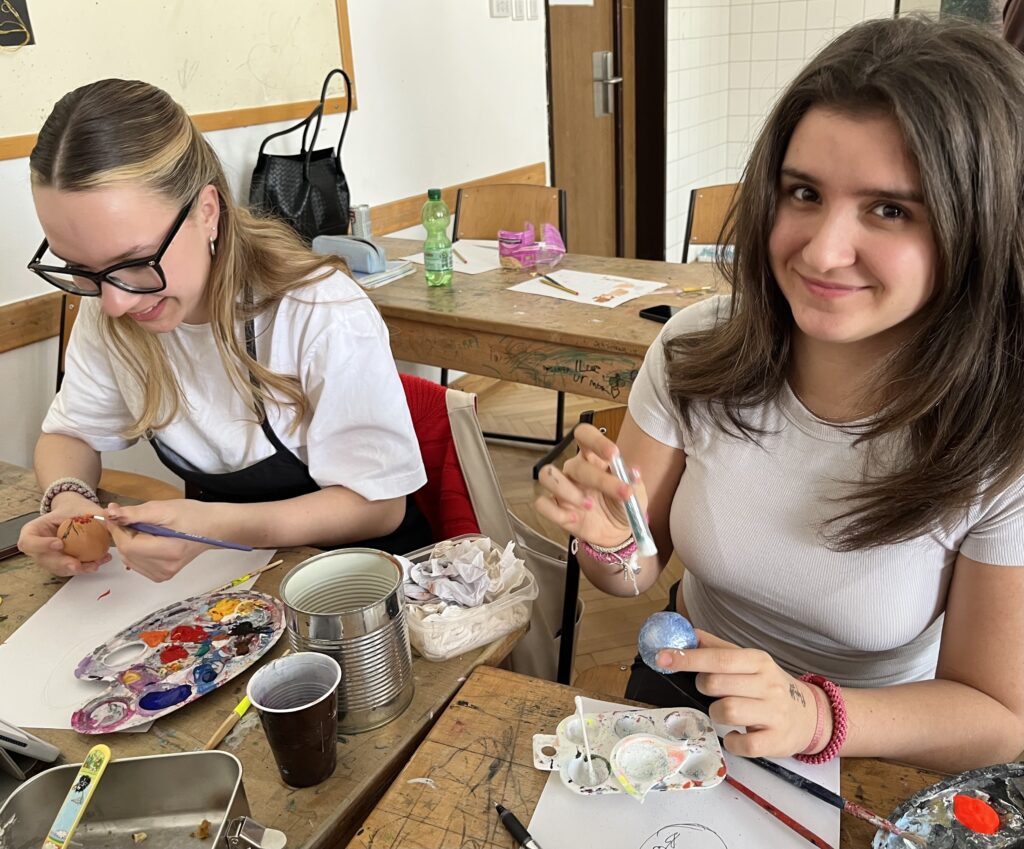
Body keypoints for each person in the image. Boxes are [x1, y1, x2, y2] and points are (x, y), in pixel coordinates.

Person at [537, 15, 1024, 774]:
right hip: (687, 694)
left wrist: (813, 713)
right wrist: (609, 541)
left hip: (876, 738)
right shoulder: (696, 350)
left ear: (982, 230)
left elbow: (997, 718)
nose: (822, 252)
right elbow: (633, 573)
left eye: (890, 209)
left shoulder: (1002, 432)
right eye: (804, 192)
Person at [18, 78, 431, 582]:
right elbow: (69, 434)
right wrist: (68, 500)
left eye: (136, 262)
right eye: (80, 269)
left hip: (361, 577)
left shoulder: (317, 308)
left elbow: (379, 507)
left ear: (207, 212)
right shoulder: (110, 307)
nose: (114, 301)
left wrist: (216, 526)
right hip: (230, 572)